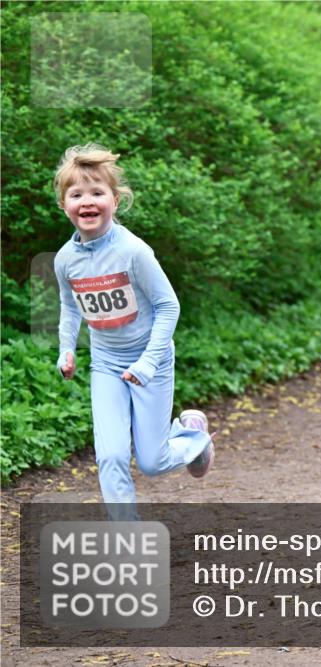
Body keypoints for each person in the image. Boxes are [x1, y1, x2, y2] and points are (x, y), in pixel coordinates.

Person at [53, 144, 215, 521]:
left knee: (153, 461)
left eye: (97, 192)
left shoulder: (133, 251)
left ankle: (193, 438)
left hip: (150, 361)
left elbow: (168, 306)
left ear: (115, 199)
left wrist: (147, 362)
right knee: (109, 455)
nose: (87, 202)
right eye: (76, 194)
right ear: (64, 204)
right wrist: (66, 349)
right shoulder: (65, 259)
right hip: (107, 364)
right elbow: (68, 306)